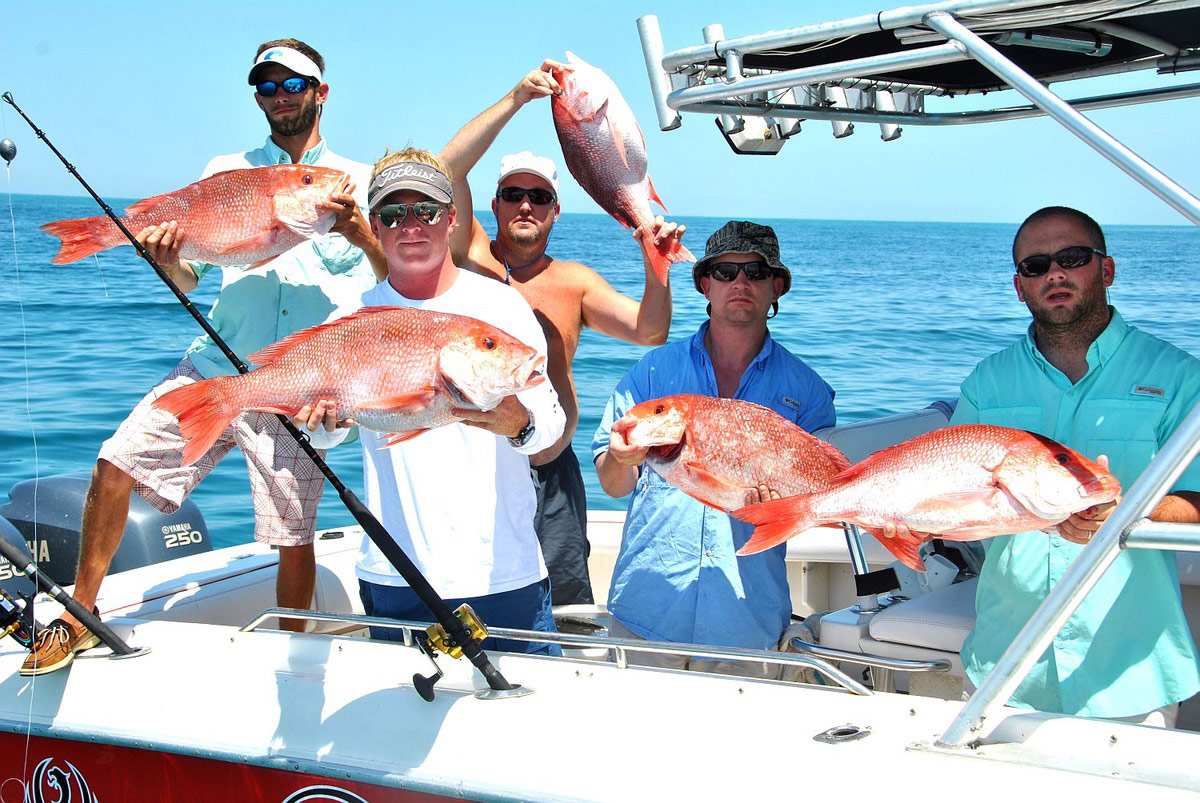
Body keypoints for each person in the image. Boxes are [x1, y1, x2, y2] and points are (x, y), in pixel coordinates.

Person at [21, 38, 386, 675]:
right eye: (266, 87)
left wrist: (360, 233)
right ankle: (81, 613)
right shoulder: (229, 168)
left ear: (321, 91)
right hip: (216, 361)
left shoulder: (351, 182)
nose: (279, 97)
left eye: (292, 85)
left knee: (291, 535)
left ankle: (293, 658)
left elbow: (386, 280)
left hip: (299, 383)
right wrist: (167, 260)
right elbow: (191, 278)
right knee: (115, 461)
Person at [295, 148, 567, 655]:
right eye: (393, 214)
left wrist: (518, 423)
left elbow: (551, 423)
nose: (411, 226)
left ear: (452, 220)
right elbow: (326, 433)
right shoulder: (352, 316)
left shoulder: (500, 308)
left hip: (501, 572)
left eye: (426, 210)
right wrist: (325, 425)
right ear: (374, 226)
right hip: (396, 574)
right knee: (400, 731)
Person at [439, 60, 686, 607]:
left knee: (566, 613)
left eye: (539, 197)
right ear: (494, 205)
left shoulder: (574, 284)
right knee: (469, 605)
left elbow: (649, 332)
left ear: (555, 211)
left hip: (550, 477)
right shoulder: (469, 257)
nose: (525, 205)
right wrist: (516, 97)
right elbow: (445, 168)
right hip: (471, 476)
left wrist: (658, 268)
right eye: (512, 194)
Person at [943, 206, 1200, 724]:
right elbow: (951, 491)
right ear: (1020, 287)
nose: (1054, 273)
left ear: (1105, 270)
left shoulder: (1177, 377)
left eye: (1072, 258)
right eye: (1035, 266)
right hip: (1006, 659)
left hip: (1128, 669)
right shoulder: (987, 381)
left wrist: (1123, 516)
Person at [591, 221, 836, 677]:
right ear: (705, 284)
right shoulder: (653, 372)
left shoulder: (808, 391)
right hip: (648, 611)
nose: (740, 283)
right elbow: (611, 482)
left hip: (746, 621)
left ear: (776, 287)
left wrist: (780, 509)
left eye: (756, 272)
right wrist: (622, 459)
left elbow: (815, 501)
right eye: (725, 272)